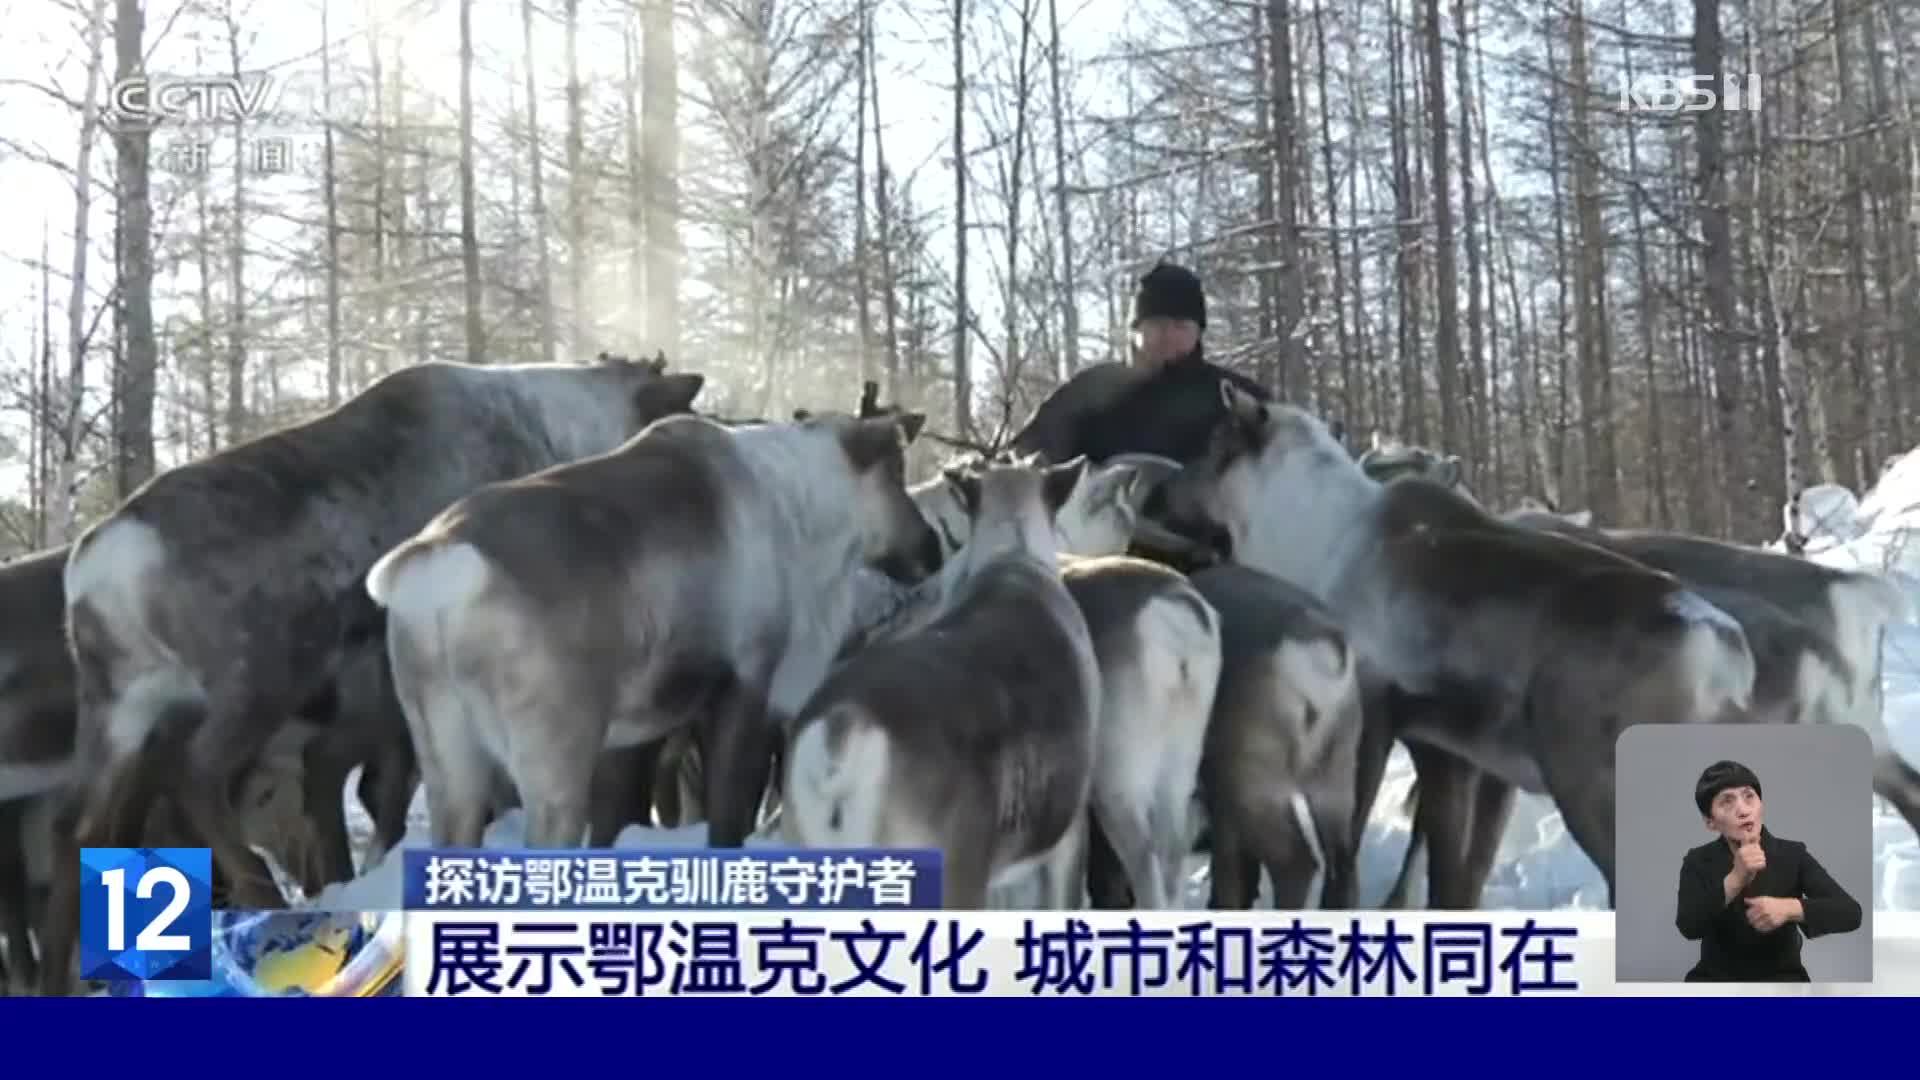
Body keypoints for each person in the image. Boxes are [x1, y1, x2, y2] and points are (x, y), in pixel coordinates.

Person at [1008, 260, 1271, 467]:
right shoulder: (1089, 392)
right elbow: (1022, 460)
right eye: (1157, 324)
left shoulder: (1230, 398)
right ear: (1136, 329)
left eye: (1180, 325)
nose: (1168, 336)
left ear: (1198, 331)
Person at [1674, 759, 1863, 982]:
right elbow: (1688, 926)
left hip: (1783, 982)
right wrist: (1736, 879)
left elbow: (1851, 913)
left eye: (1749, 796)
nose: (1743, 810)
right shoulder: (1698, 860)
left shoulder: (1793, 854)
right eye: (1727, 802)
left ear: (1761, 804)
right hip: (1716, 982)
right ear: (1710, 822)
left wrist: (1791, 907)